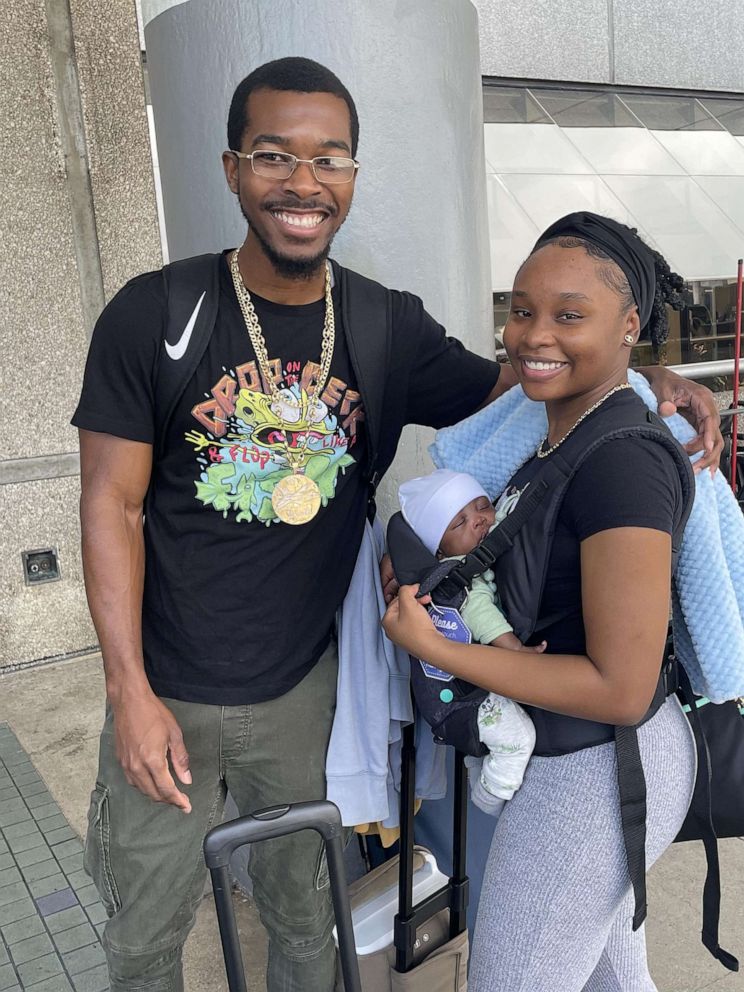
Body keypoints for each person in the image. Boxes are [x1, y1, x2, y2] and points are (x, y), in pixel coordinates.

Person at [72, 53, 719, 992]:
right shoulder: (157, 313)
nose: (302, 183)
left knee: (306, 916)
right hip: (164, 682)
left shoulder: (381, 323)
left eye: (328, 159)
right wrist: (128, 690)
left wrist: (654, 376)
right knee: (144, 928)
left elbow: (534, 369)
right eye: (272, 156)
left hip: (302, 690)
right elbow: (110, 505)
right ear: (230, 169)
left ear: (353, 176)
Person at [383, 212, 699, 990]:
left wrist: (437, 650)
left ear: (629, 325)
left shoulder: (620, 462)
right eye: (521, 311)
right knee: (612, 982)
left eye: (568, 315)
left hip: (598, 772)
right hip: (580, 761)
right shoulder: (559, 435)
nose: (533, 335)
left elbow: (620, 690)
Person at [399, 468, 540, 816]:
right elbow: (478, 611)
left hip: (462, 696)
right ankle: (490, 805)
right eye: (458, 523)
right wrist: (514, 650)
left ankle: (484, 783)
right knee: (519, 738)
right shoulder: (457, 573)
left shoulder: (472, 553)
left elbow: (504, 516)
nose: (477, 520)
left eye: (481, 506)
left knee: (492, 745)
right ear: (438, 549)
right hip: (458, 699)